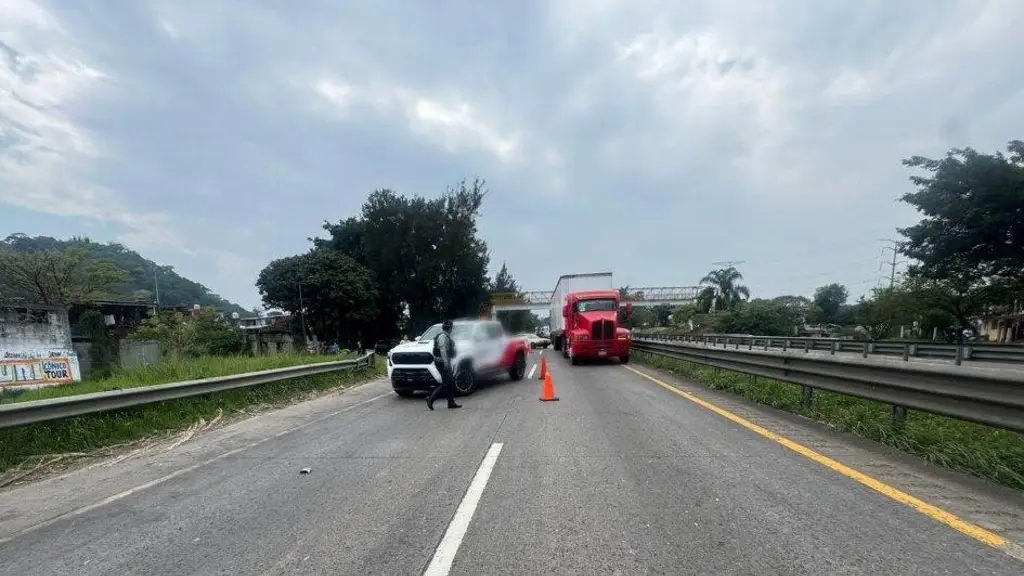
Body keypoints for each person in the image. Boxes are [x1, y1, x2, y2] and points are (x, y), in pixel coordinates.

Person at [426, 319, 461, 410]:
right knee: (447, 383)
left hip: (443, 361)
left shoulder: (445, 336)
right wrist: (446, 364)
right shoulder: (443, 337)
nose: (452, 329)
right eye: (451, 328)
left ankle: (451, 403)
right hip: (442, 363)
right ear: (450, 328)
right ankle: (430, 398)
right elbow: (443, 350)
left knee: (450, 382)